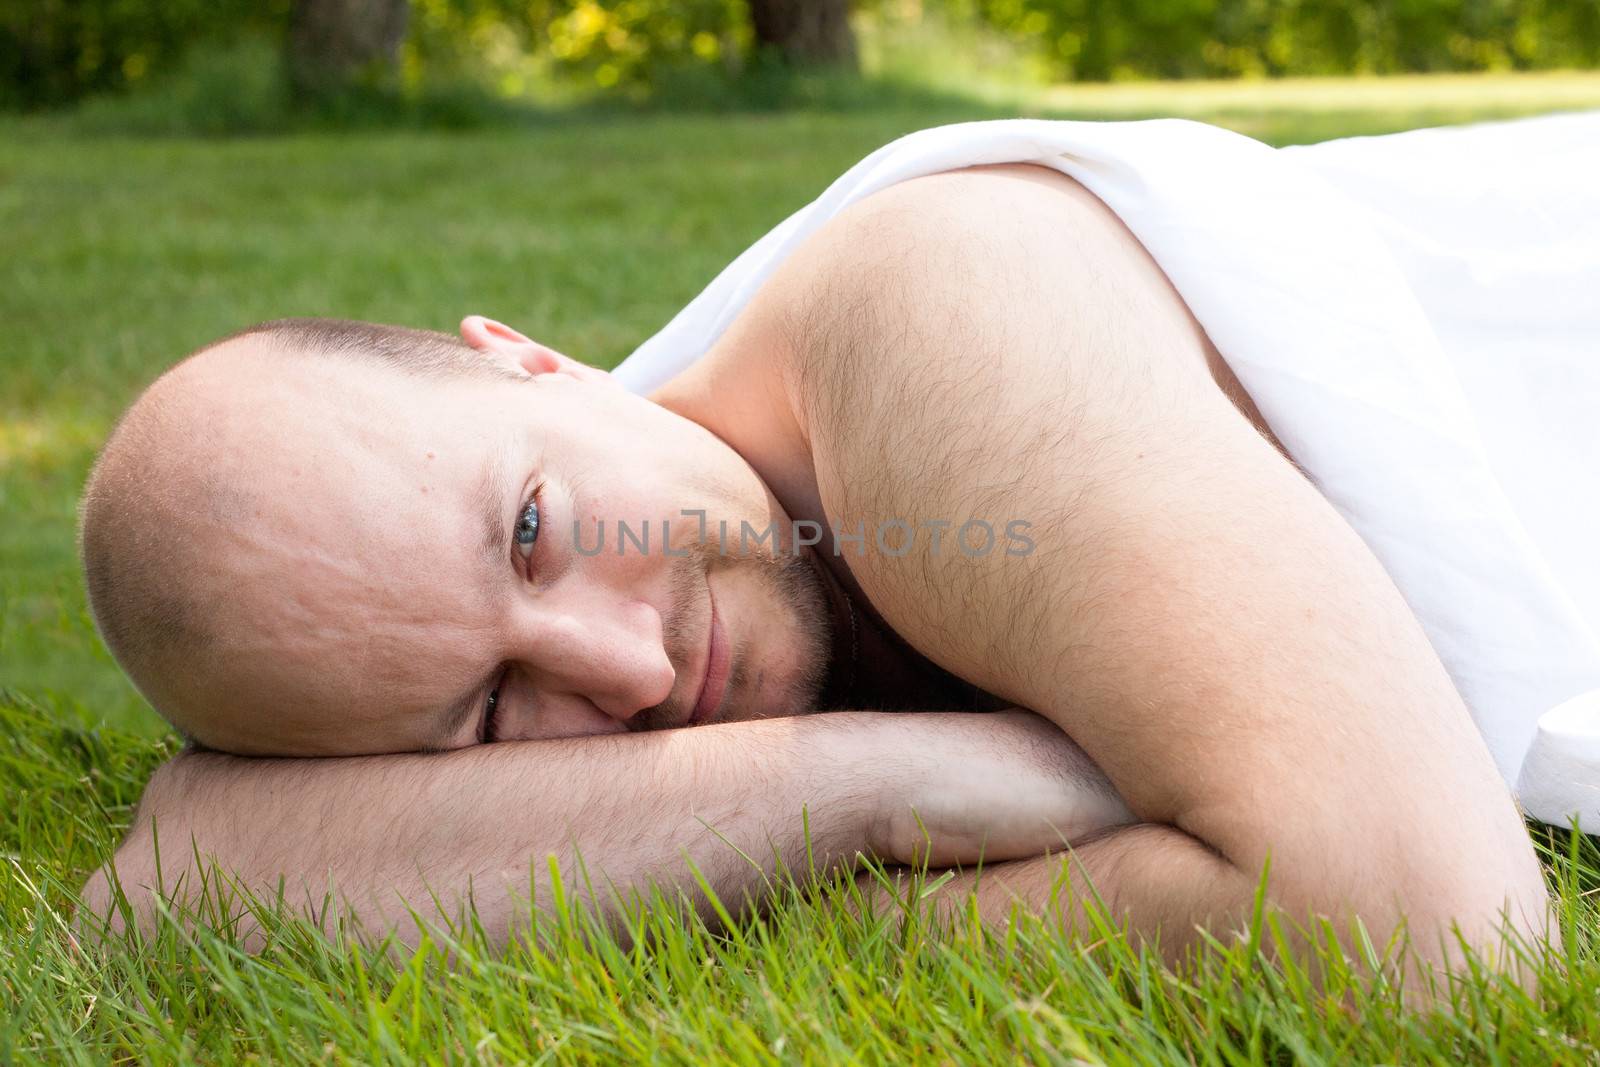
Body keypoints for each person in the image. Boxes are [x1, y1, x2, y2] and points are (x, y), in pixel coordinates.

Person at [81, 112, 1600, 978]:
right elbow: (164, 895)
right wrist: (876, 782)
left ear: (532, 357)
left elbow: (1427, 936)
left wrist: (833, 904)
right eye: (487, 721)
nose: (626, 673)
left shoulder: (932, 323)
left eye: (536, 535)